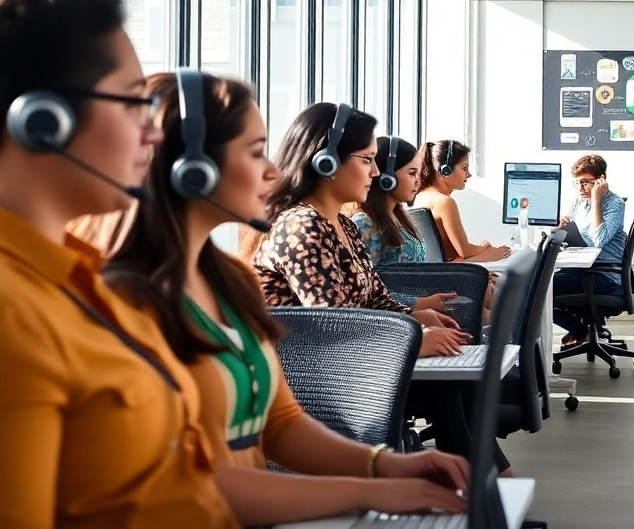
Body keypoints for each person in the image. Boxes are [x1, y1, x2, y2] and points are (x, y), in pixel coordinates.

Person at [89, 70, 471, 525]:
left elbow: (279, 422)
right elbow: (188, 481)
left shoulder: (227, 277)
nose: (272, 170)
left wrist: (387, 467)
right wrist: (372, 490)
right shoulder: (122, 301)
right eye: (254, 152)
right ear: (191, 169)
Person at [0, 0, 236, 527]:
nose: (153, 135)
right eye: (132, 103)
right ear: (42, 121)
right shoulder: (14, 312)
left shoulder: (76, 279)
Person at [243, 103, 464, 358]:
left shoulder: (344, 225)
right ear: (326, 162)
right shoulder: (302, 227)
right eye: (366, 160)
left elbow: (376, 300)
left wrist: (415, 317)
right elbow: (334, 326)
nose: (376, 171)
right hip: (300, 379)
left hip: (340, 370)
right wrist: (411, 342)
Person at [553, 154, 627, 347]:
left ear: (601, 180)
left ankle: (580, 331)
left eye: (586, 182)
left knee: (536, 290)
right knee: (533, 284)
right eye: (577, 183)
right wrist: (560, 226)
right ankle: (578, 329)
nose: (580, 188)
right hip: (579, 270)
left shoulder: (615, 204)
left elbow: (598, 240)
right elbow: (571, 230)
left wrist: (596, 201)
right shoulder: (579, 201)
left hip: (603, 275)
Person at [414, 139, 509, 263]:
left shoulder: (421, 196)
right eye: (464, 168)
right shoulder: (443, 202)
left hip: (436, 273)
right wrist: (485, 247)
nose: (468, 174)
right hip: (448, 277)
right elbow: (465, 251)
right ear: (445, 170)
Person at [353, 136, 430, 267]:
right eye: (412, 173)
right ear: (387, 178)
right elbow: (365, 281)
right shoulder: (364, 224)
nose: (418, 180)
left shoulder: (397, 216)